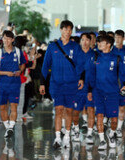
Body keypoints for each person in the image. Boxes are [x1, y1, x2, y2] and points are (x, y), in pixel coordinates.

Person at [40, 20, 85, 149]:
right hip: (56, 84)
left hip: (71, 85)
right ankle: (58, 138)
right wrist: (42, 83)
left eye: (70, 30)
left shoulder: (75, 47)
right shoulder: (52, 46)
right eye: (65, 29)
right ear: (61, 30)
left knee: (68, 111)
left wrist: (81, 78)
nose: (68, 32)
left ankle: (67, 137)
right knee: (58, 109)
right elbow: (45, 66)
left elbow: (81, 65)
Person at [87, 35, 125, 149]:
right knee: (99, 115)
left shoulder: (117, 58)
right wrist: (90, 90)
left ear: (109, 44)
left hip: (113, 93)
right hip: (98, 92)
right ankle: (101, 140)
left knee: (113, 119)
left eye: (101, 42)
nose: (98, 44)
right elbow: (91, 75)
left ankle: (111, 134)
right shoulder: (95, 58)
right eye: (98, 42)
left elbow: (124, 75)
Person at [0, 30, 26, 138]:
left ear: (13, 40)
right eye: (4, 38)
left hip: (15, 84)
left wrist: (20, 70)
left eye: (9, 38)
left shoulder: (18, 52)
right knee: (3, 107)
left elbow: (23, 64)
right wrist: (6, 73)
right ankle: (7, 127)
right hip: (2, 84)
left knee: (14, 106)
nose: (6, 41)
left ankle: (11, 128)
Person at [72, 33, 95, 142]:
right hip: (78, 88)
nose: (85, 42)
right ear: (80, 41)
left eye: (87, 40)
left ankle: (90, 133)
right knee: (76, 112)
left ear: (91, 42)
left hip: (91, 88)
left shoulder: (95, 55)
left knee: (91, 109)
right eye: (83, 40)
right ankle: (76, 129)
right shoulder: (76, 54)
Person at [113, 30, 125, 138]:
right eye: (116, 37)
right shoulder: (110, 50)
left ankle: (119, 128)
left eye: (120, 37)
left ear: (124, 38)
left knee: (121, 106)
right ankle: (112, 127)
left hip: (123, 84)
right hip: (111, 83)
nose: (117, 39)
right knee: (112, 106)